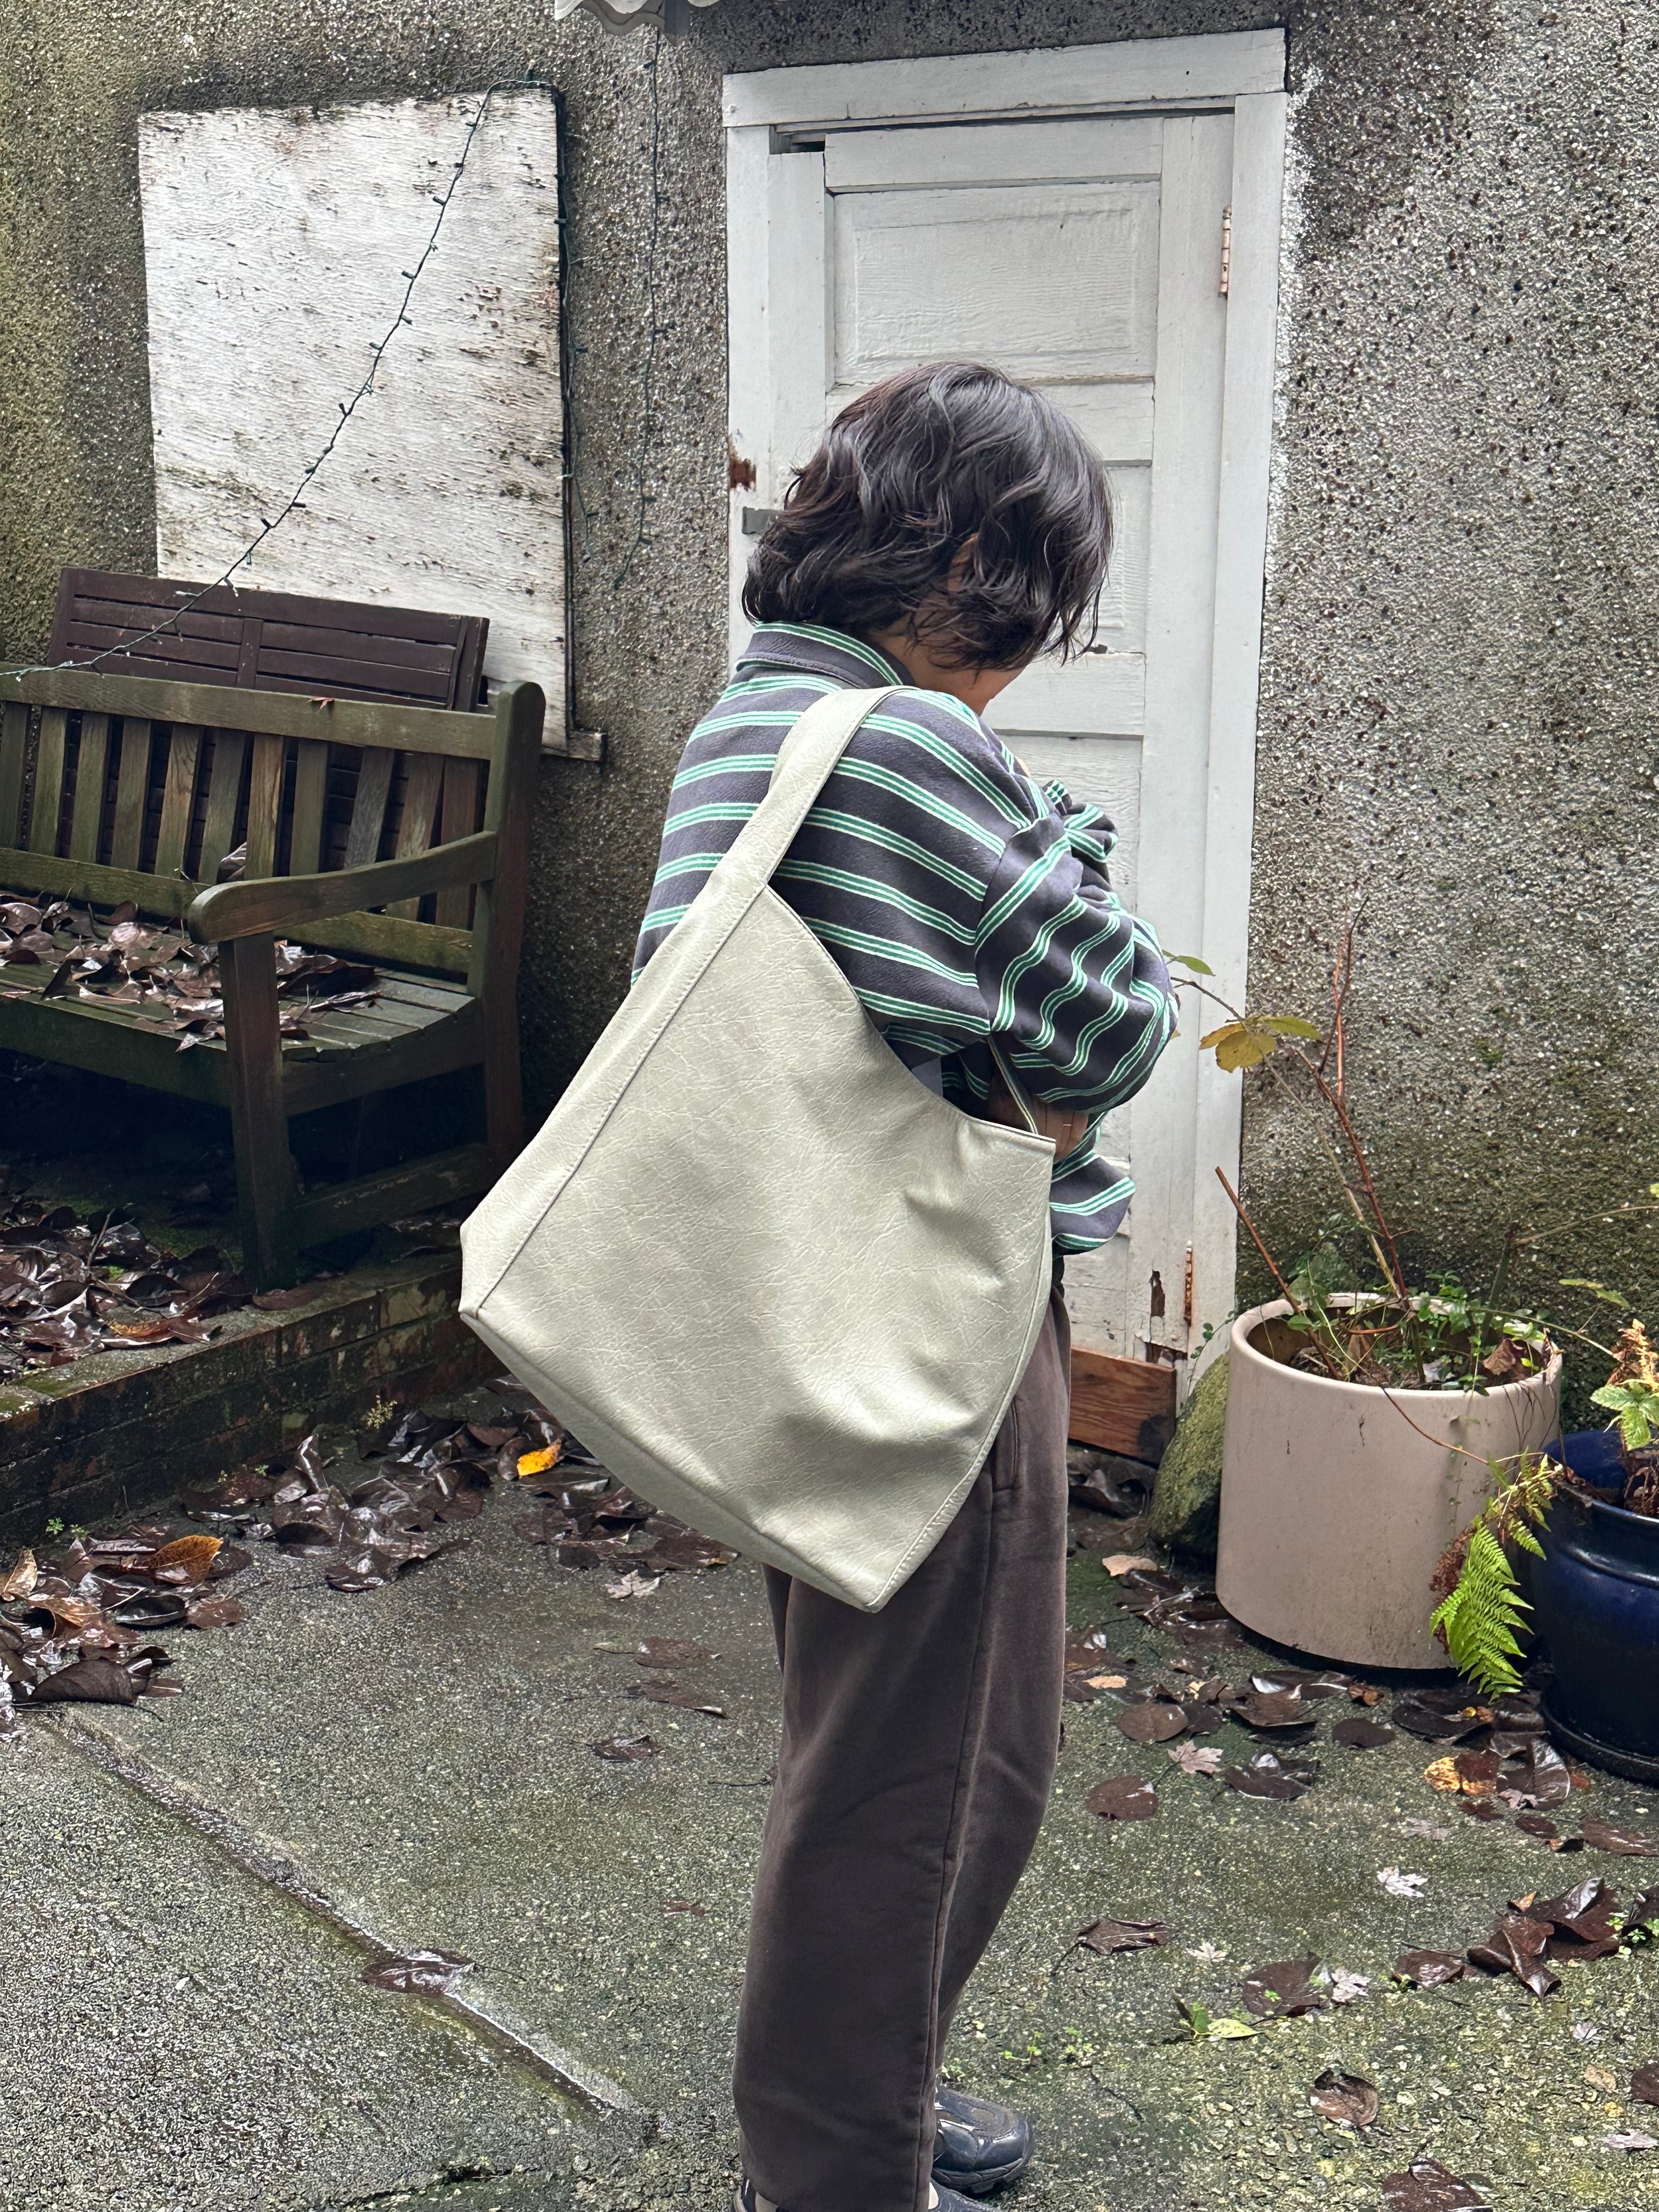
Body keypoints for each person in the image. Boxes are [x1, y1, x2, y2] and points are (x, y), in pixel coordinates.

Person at [631, 362, 1177, 2212]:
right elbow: (1113, 1017)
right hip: (928, 1310)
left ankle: (864, 2086)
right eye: (1039, 596)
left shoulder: (753, 723)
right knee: (941, 1770)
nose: (1030, 651)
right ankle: (838, 2168)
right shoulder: (906, 750)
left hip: (795, 1303)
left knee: (875, 1741)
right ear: (970, 565)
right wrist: (1061, 834)